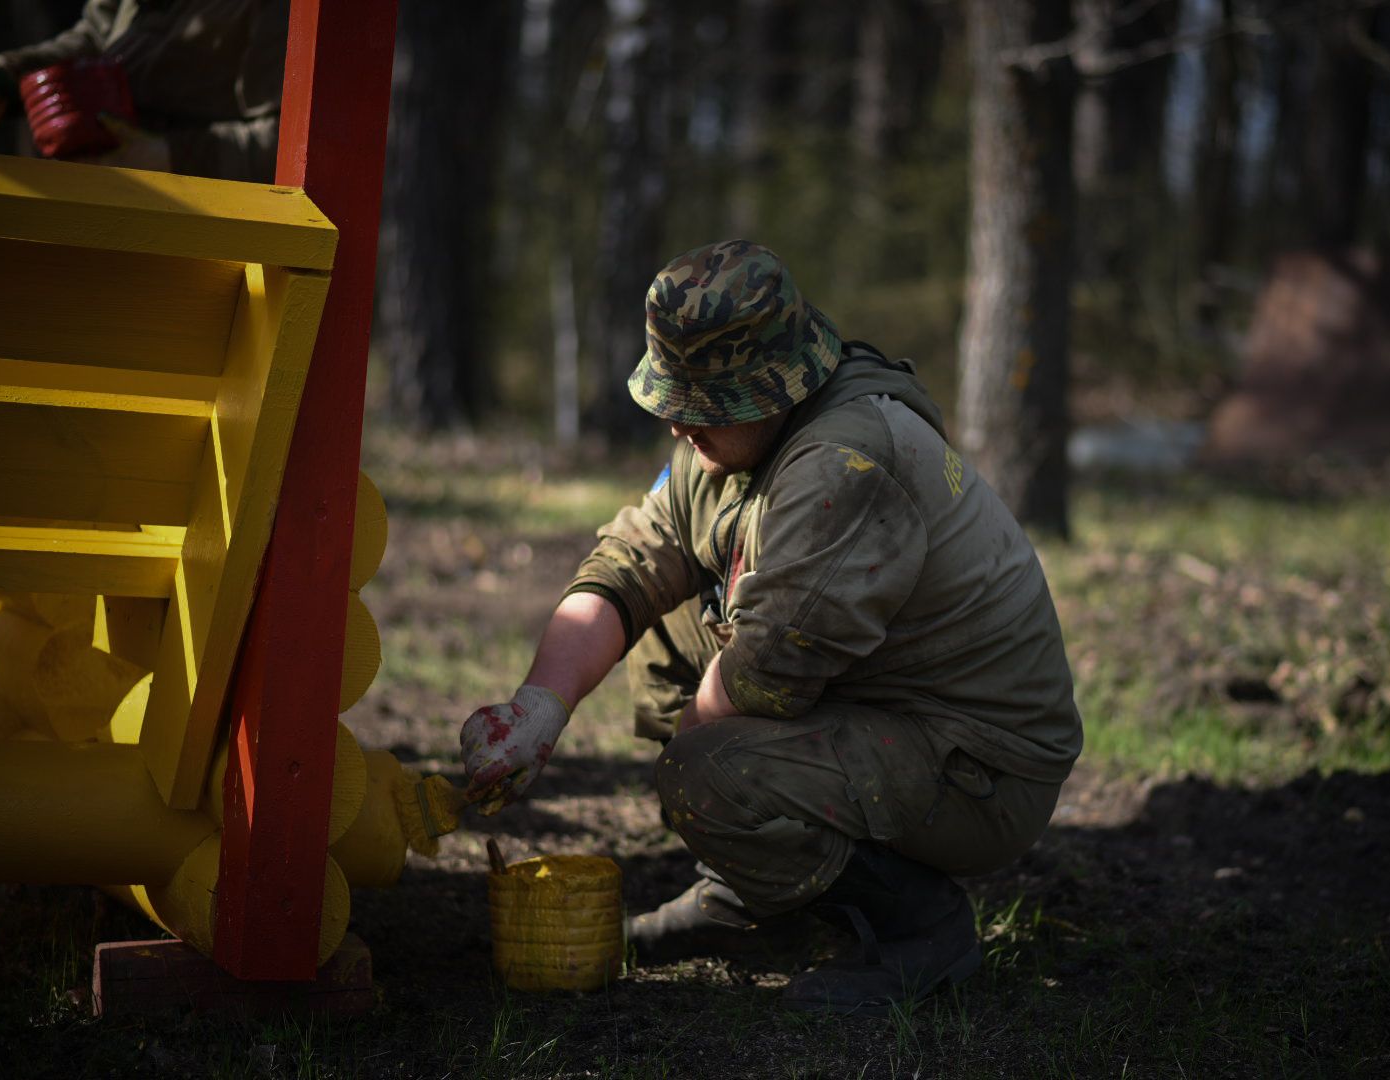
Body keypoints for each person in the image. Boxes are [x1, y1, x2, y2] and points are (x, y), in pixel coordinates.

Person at [460, 240, 1083, 1016]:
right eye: (675, 405)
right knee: (660, 627)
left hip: (978, 762)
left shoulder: (842, 466)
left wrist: (697, 794)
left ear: (767, 391)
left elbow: (757, 680)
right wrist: (539, 709)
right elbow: (628, 568)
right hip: (882, 703)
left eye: (701, 409)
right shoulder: (732, 438)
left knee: (707, 774)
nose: (681, 429)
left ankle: (919, 929)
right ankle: (755, 889)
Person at [0, 0, 287, 183]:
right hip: (96, 188)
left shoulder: (277, 10)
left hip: (191, 221)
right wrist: (10, 74)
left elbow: (284, 147)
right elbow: (97, 37)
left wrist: (165, 155)